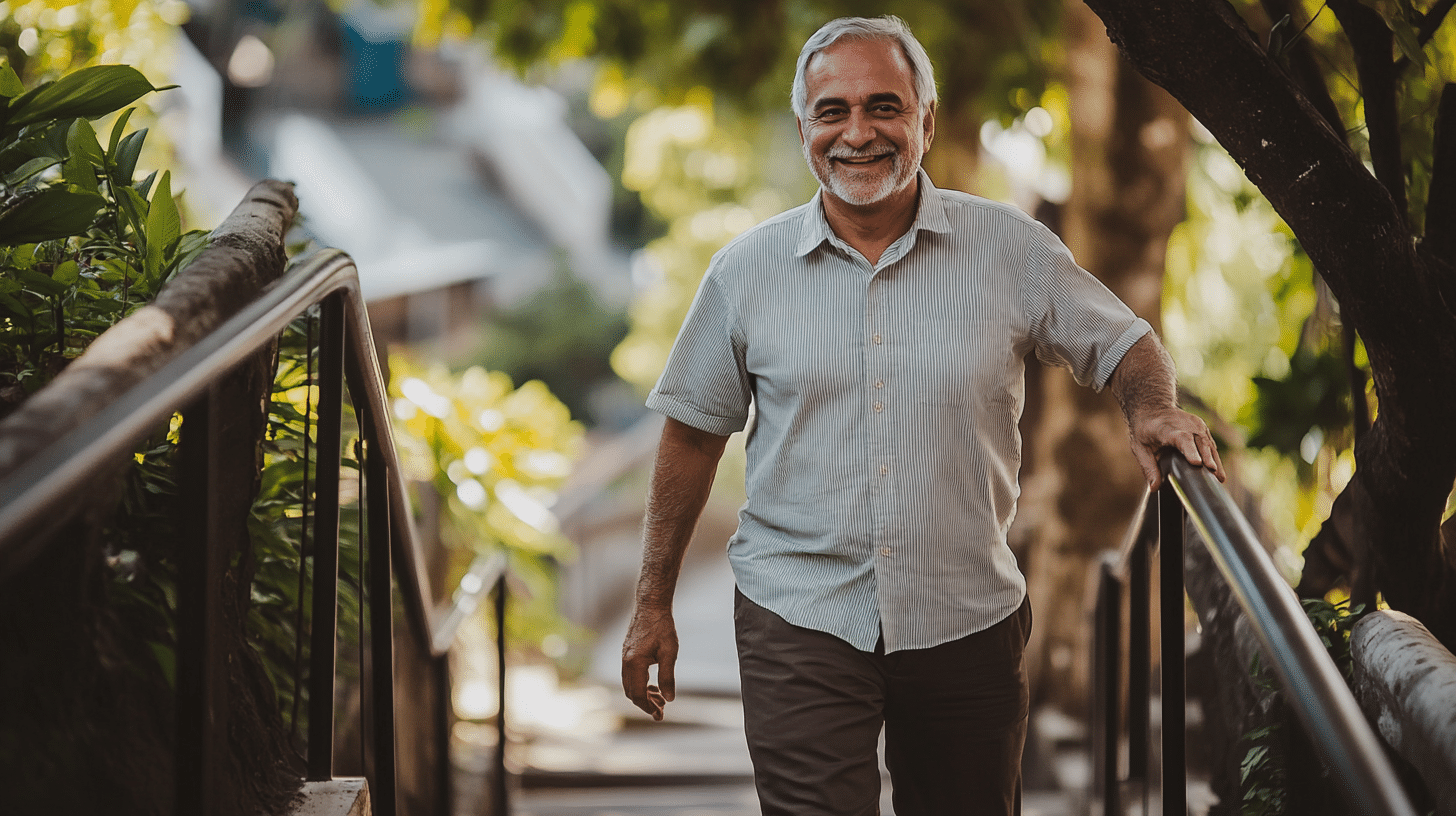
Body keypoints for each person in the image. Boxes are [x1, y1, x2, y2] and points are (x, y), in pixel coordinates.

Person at [621, 14, 1224, 815]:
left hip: (965, 614)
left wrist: (1152, 410)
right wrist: (652, 603)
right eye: (832, 111)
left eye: (884, 106)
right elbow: (693, 435)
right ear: (804, 126)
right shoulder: (744, 273)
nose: (858, 132)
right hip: (799, 614)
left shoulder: (1009, 249)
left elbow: (1125, 343)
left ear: (926, 121)